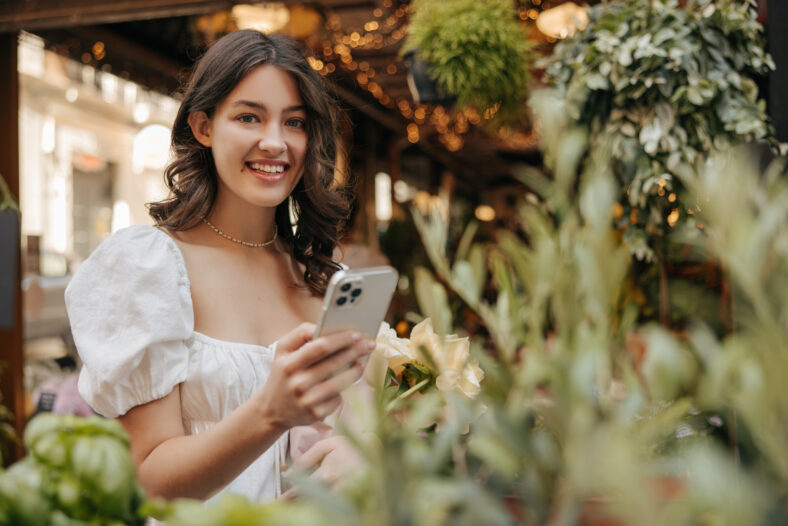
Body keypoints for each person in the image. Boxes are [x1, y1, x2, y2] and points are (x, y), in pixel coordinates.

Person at [64, 30, 373, 503]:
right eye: (249, 117)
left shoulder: (324, 279)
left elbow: (355, 432)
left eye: (295, 123)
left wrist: (361, 457)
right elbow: (147, 481)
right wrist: (269, 412)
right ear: (204, 127)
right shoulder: (149, 268)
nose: (275, 142)